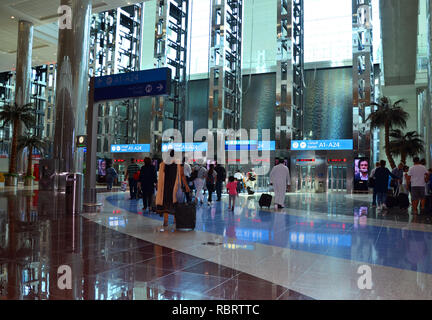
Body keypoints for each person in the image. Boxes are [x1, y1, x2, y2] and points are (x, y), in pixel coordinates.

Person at [155, 150, 190, 227]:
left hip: (165, 188)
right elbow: (182, 175)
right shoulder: (178, 164)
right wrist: (186, 186)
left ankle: (165, 221)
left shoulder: (163, 164)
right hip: (175, 187)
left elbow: (160, 177)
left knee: (165, 204)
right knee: (175, 204)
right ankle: (175, 220)